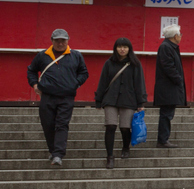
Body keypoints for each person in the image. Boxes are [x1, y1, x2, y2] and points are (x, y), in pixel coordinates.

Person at [27, 29, 89, 167]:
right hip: (47, 96)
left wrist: (75, 83)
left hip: (66, 97)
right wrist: (35, 84)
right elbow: (31, 70)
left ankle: (58, 154)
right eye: (57, 40)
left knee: (61, 124)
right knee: (48, 124)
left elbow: (84, 73)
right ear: (52, 41)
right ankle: (53, 150)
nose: (60, 43)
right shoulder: (42, 55)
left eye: (63, 40)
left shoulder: (76, 55)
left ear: (68, 40)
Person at [93, 37, 145, 169]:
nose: (122, 49)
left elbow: (139, 84)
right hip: (110, 99)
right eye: (120, 46)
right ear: (115, 48)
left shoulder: (135, 64)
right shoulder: (109, 63)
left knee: (125, 127)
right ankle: (110, 156)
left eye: (125, 47)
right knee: (110, 126)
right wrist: (98, 99)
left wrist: (141, 102)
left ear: (129, 49)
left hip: (128, 99)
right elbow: (103, 82)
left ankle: (125, 147)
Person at [153, 23, 185, 148]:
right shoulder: (166, 47)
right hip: (168, 87)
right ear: (175, 36)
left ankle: (164, 139)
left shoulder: (169, 47)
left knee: (168, 113)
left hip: (169, 87)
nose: (181, 36)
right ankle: (163, 140)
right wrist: (178, 79)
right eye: (180, 34)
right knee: (166, 114)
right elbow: (168, 66)